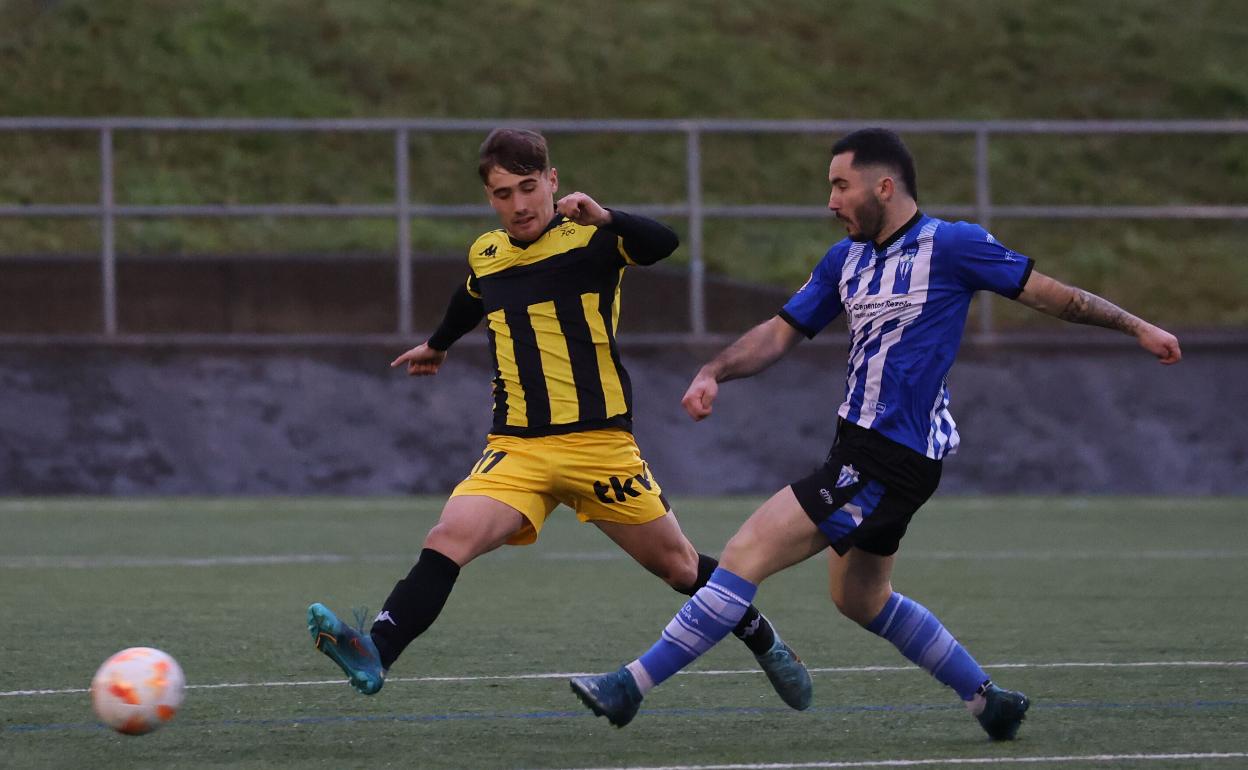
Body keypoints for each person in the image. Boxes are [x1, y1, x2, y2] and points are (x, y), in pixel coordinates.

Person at [570, 127, 1182, 740]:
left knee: (745, 552)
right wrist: (715, 370)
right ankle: (987, 700)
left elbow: (1058, 298)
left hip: (891, 453)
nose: (831, 200)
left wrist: (1139, 329)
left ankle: (632, 686)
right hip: (863, 448)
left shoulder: (953, 245)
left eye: (841, 185)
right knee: (860, 600)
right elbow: (781, 331)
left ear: (883, 186)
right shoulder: (846, 260)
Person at [305, 128, 812, 711]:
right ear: (489, 197)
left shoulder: (593, 240)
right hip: (517, 447)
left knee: (677, 567)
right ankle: (376, 651)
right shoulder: (486, 252)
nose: (518, 205)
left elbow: (663, 244)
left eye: (528, 187)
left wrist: (608, 216)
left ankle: (764, 639)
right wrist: (439, 344)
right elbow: (472, 296)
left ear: (552, 181)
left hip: (600, 446)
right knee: (447, 538)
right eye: (502, 194)